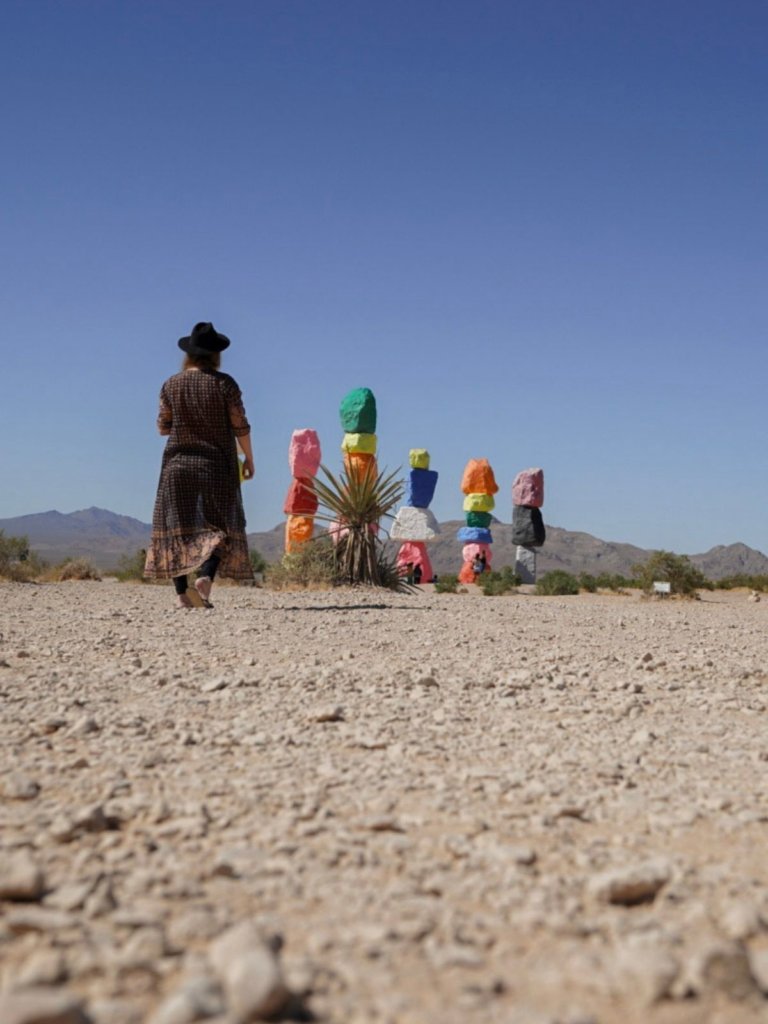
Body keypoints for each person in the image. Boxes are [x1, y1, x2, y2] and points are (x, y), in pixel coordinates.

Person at [144, 322, 255, 608]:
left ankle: (182, 595)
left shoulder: (171, 384)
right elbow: (240, 425)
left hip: (177, 466)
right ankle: (206, 577)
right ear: (216, 354)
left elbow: (162, 427)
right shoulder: (225, 384)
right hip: (217, 466)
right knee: (220, 526)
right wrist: (249, 460)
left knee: (177, 528)